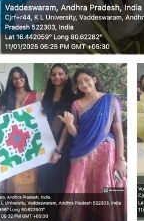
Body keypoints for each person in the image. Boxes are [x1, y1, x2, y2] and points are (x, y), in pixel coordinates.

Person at [50, 67, 124, 214]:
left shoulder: (111, 101)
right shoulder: (76, 105)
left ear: (94, 79)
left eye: (86, 80)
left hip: (105, 152)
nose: (83, 84)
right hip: (81, 154)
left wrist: (120, 159)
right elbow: (76, 133)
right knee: (77, 187)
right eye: (79, 83)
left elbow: (118, 131)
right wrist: (70, 124)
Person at [0, 67, 40, 192]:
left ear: (25, 78)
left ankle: (27, 210)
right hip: (10, 144)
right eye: (14, 78)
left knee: (29, 179)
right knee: (11, 178)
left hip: (29, 144)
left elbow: (40, 119)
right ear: (11, 80)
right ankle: (12, 209)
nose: (18, 80)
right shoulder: (6, 98)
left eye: (21, 77)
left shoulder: (35, 96)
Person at [38, 64, 74, 197]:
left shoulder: (72, 98)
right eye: (54, 74)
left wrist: (58, 150)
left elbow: (67, 127)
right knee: (44, 180)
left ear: (66, 76)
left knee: (57, 183)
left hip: (61, 146)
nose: (57, 76)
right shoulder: (46, 96)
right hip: (44, 144)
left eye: (60, 73)